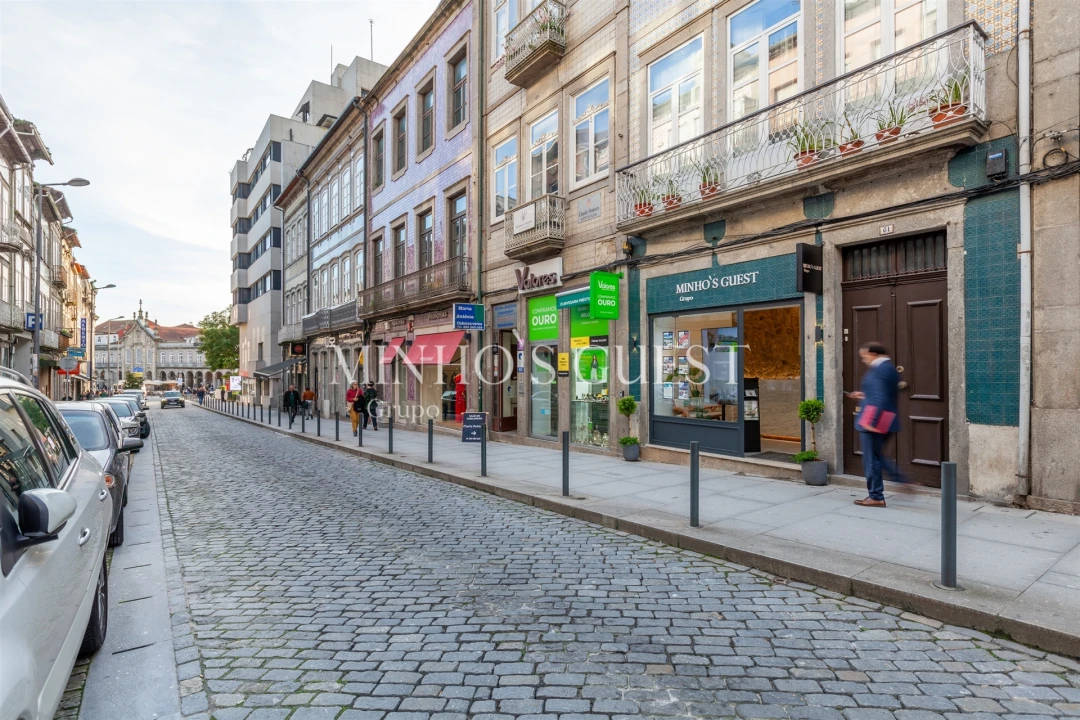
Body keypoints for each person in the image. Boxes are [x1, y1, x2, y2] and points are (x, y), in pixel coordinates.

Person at [848, 341, 906, 507]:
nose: (863, 359)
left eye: (864, 356)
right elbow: (880, 394)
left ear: (873, 354)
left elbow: (880, 397)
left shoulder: (881, 370)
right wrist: (863, 395)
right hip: (886, 417)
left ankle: (876, 496)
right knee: (876, 455)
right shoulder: (889, 368)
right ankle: (901, 480)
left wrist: (870, 421)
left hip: (874, 419)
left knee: (871, 459)